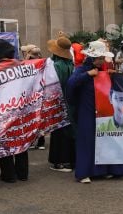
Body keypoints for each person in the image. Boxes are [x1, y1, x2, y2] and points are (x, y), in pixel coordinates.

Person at [66, 40, 123, 183]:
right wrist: (87, 75)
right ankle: (84, 172)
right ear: (92, 58)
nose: (101, 61)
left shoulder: (103, 70)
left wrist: (110, 75)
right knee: (87, 140)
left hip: (103, 110)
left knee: (105, 139)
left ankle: (106, 170)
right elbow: (70, 85)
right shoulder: (81, 69)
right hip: (86, 110)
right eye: (99, 58)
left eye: (102, 58)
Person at [0, 40, 29, 183]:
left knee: (5, 142)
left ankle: (9, 175)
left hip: (2, 112)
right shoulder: (22, 67)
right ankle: (23, 173)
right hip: (21, 109)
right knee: (21, 140)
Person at [47, 33, 76, 172]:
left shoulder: (56, 66)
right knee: (69, 131)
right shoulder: (71, 65)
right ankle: (70, 160)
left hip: (58, 102)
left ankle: (59, 161)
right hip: (70, 102)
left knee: (58, 132)